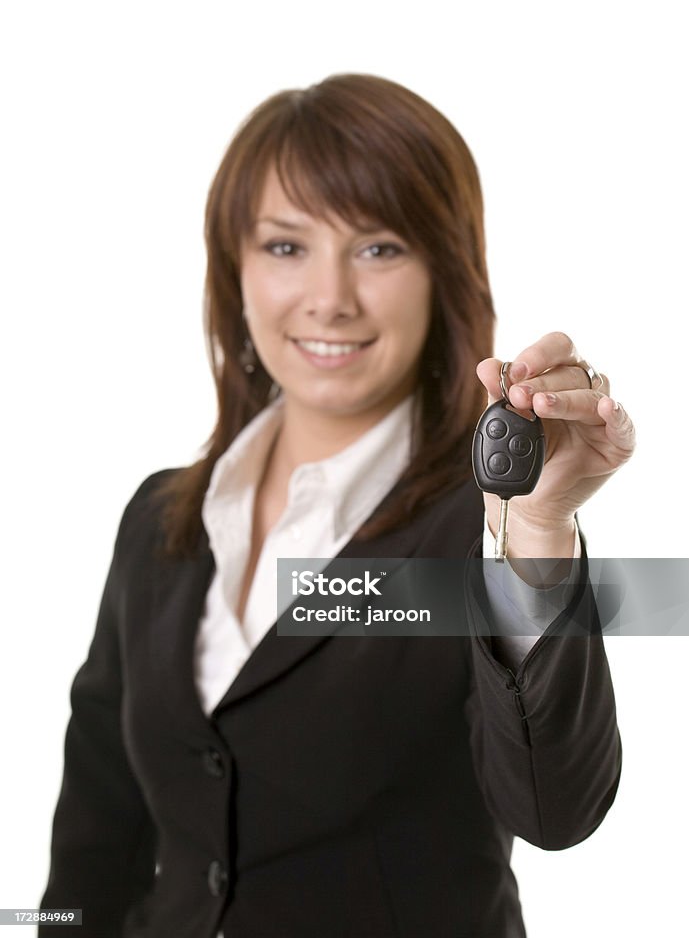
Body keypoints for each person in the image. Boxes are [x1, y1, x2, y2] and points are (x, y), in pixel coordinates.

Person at [39, 73, 634, 938]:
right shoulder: (158, 519)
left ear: (444, 270)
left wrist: (535, 528)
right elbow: (93, 840)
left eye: (378, 248)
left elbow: (555, 812)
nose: (329, 297)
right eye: (285, 247)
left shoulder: (484, 527)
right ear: (232, 268)